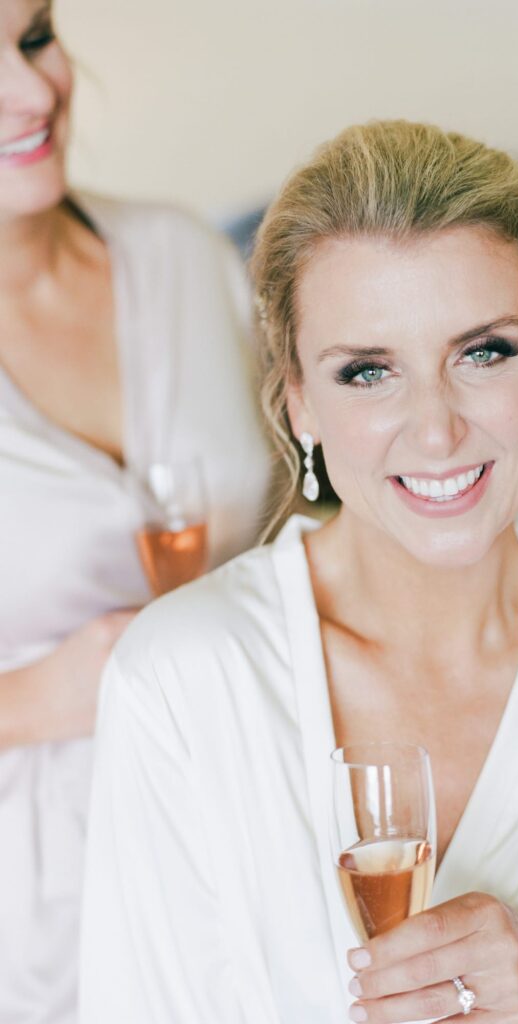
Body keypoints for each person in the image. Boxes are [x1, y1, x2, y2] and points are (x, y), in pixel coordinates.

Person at [79, 120, 518, 1023]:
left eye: (484, 353)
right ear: (298, 404)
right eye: (367, 372)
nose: (435, 431)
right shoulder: (185, 679)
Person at [0, 0, 271, 1020]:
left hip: (241, 844)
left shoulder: (184, 256)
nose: (33, 93)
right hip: (31, 926)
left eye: (33, 37)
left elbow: (299, 517)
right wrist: (36, 697)